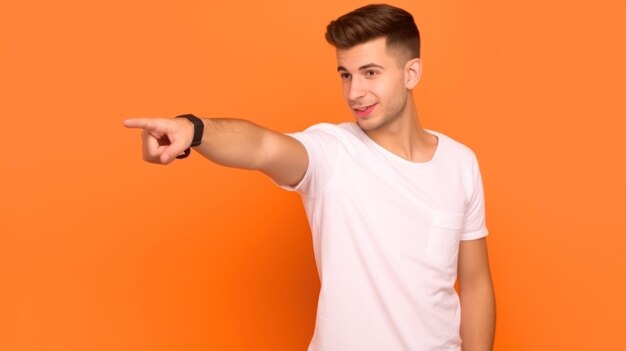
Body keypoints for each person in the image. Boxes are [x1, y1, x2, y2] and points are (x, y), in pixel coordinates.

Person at [123, 3, 495, 351]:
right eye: (345, 75)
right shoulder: (331, 151)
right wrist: (194, 129)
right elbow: (262, 147)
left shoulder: (460, 163)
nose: (354, 92)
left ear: (410, 73)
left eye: (370, 73)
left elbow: (475, 281)